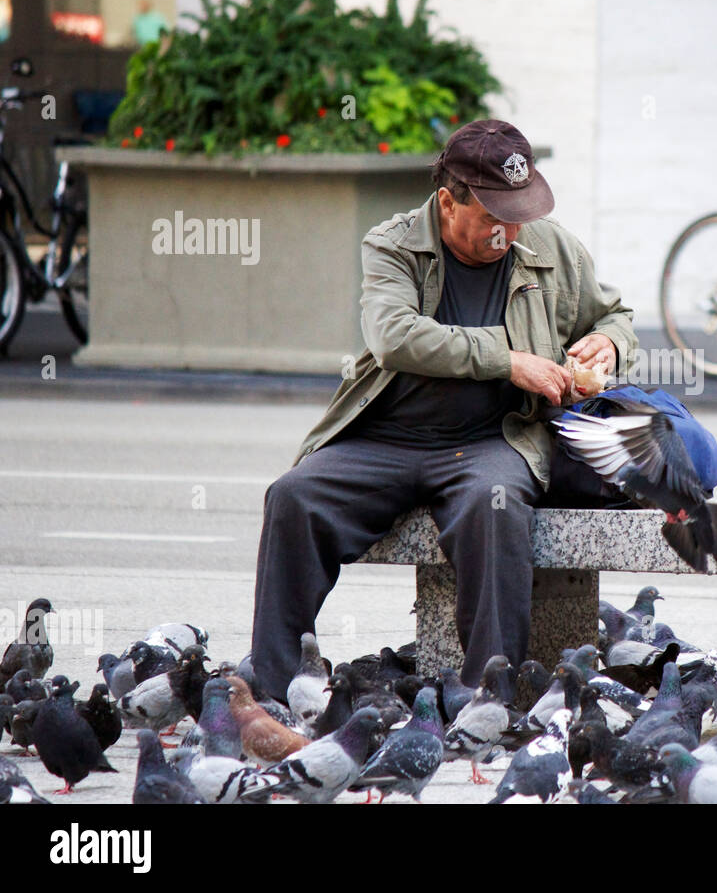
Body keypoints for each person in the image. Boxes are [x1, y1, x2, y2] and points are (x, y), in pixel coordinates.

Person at [249, 120, 637, 701]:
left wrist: (610, 344)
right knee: (293, 498)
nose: (507, 229)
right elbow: (394, 337)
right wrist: (508, 361)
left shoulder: (551, 245)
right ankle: (274, 689)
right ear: (448, 201)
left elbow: (615, 315)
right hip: (385, 438)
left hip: (494, 440)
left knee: (494, 503)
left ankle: (490, 695)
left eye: (518, 212)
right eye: (491, 216)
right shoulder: (393, 243)